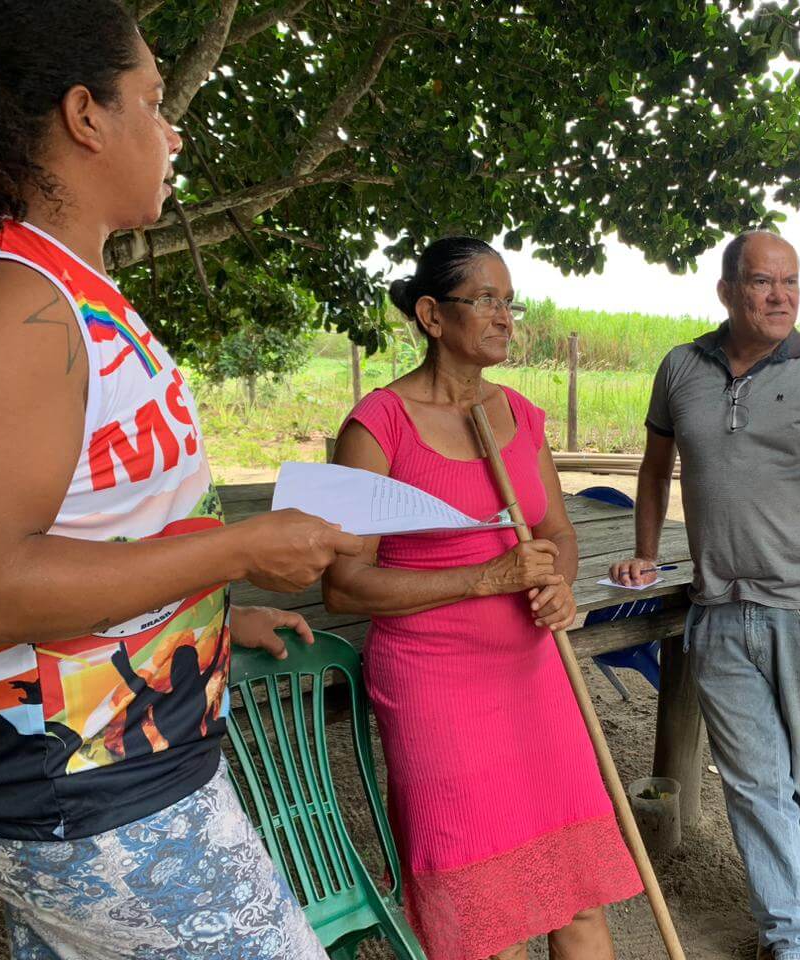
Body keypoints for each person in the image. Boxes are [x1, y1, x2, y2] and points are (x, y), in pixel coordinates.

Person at [0, 3, 365, 957]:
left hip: (100, 766)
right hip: (87, 784)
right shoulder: (15, 304)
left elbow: (89, 529)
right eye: (153, 100)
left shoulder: (45, 283)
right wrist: (239, 551)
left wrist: (201, 617)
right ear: (86, 115)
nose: (172, 135)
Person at [322, 237, 642, 960]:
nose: (505, 317)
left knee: (578, 898)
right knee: (483, 923)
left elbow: (557, 533)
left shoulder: (521, 416)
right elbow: (342, 585)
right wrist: (481, 579)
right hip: (434, 684)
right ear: (432, 315)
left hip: (534, 674)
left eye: (510, 302)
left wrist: (558, 582)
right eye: (487, 300)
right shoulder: (376, 427)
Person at [610, 230, 800, 960]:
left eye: (791, 282)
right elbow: (654, 467)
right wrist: (645, 551)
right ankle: (798, 935)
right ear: (726, 290)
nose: (780, 296)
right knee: (753, 783)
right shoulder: (681, 367)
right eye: (763, 282)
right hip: (717, 609)